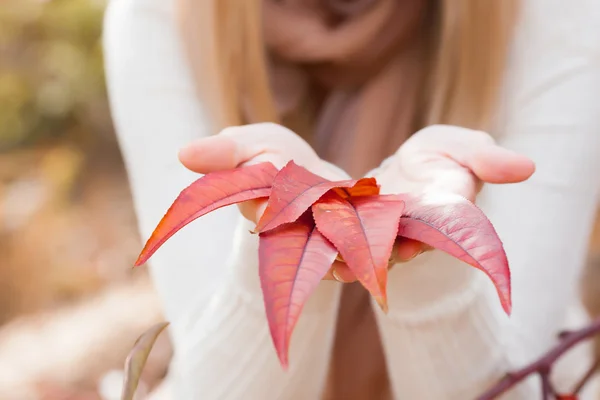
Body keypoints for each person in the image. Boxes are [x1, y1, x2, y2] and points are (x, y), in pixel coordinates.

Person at [102, 0, 600, 398]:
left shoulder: (558, 14)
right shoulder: (160, 17)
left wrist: (428, 256)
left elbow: (509, 381)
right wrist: (288, 228)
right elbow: (222, 388)